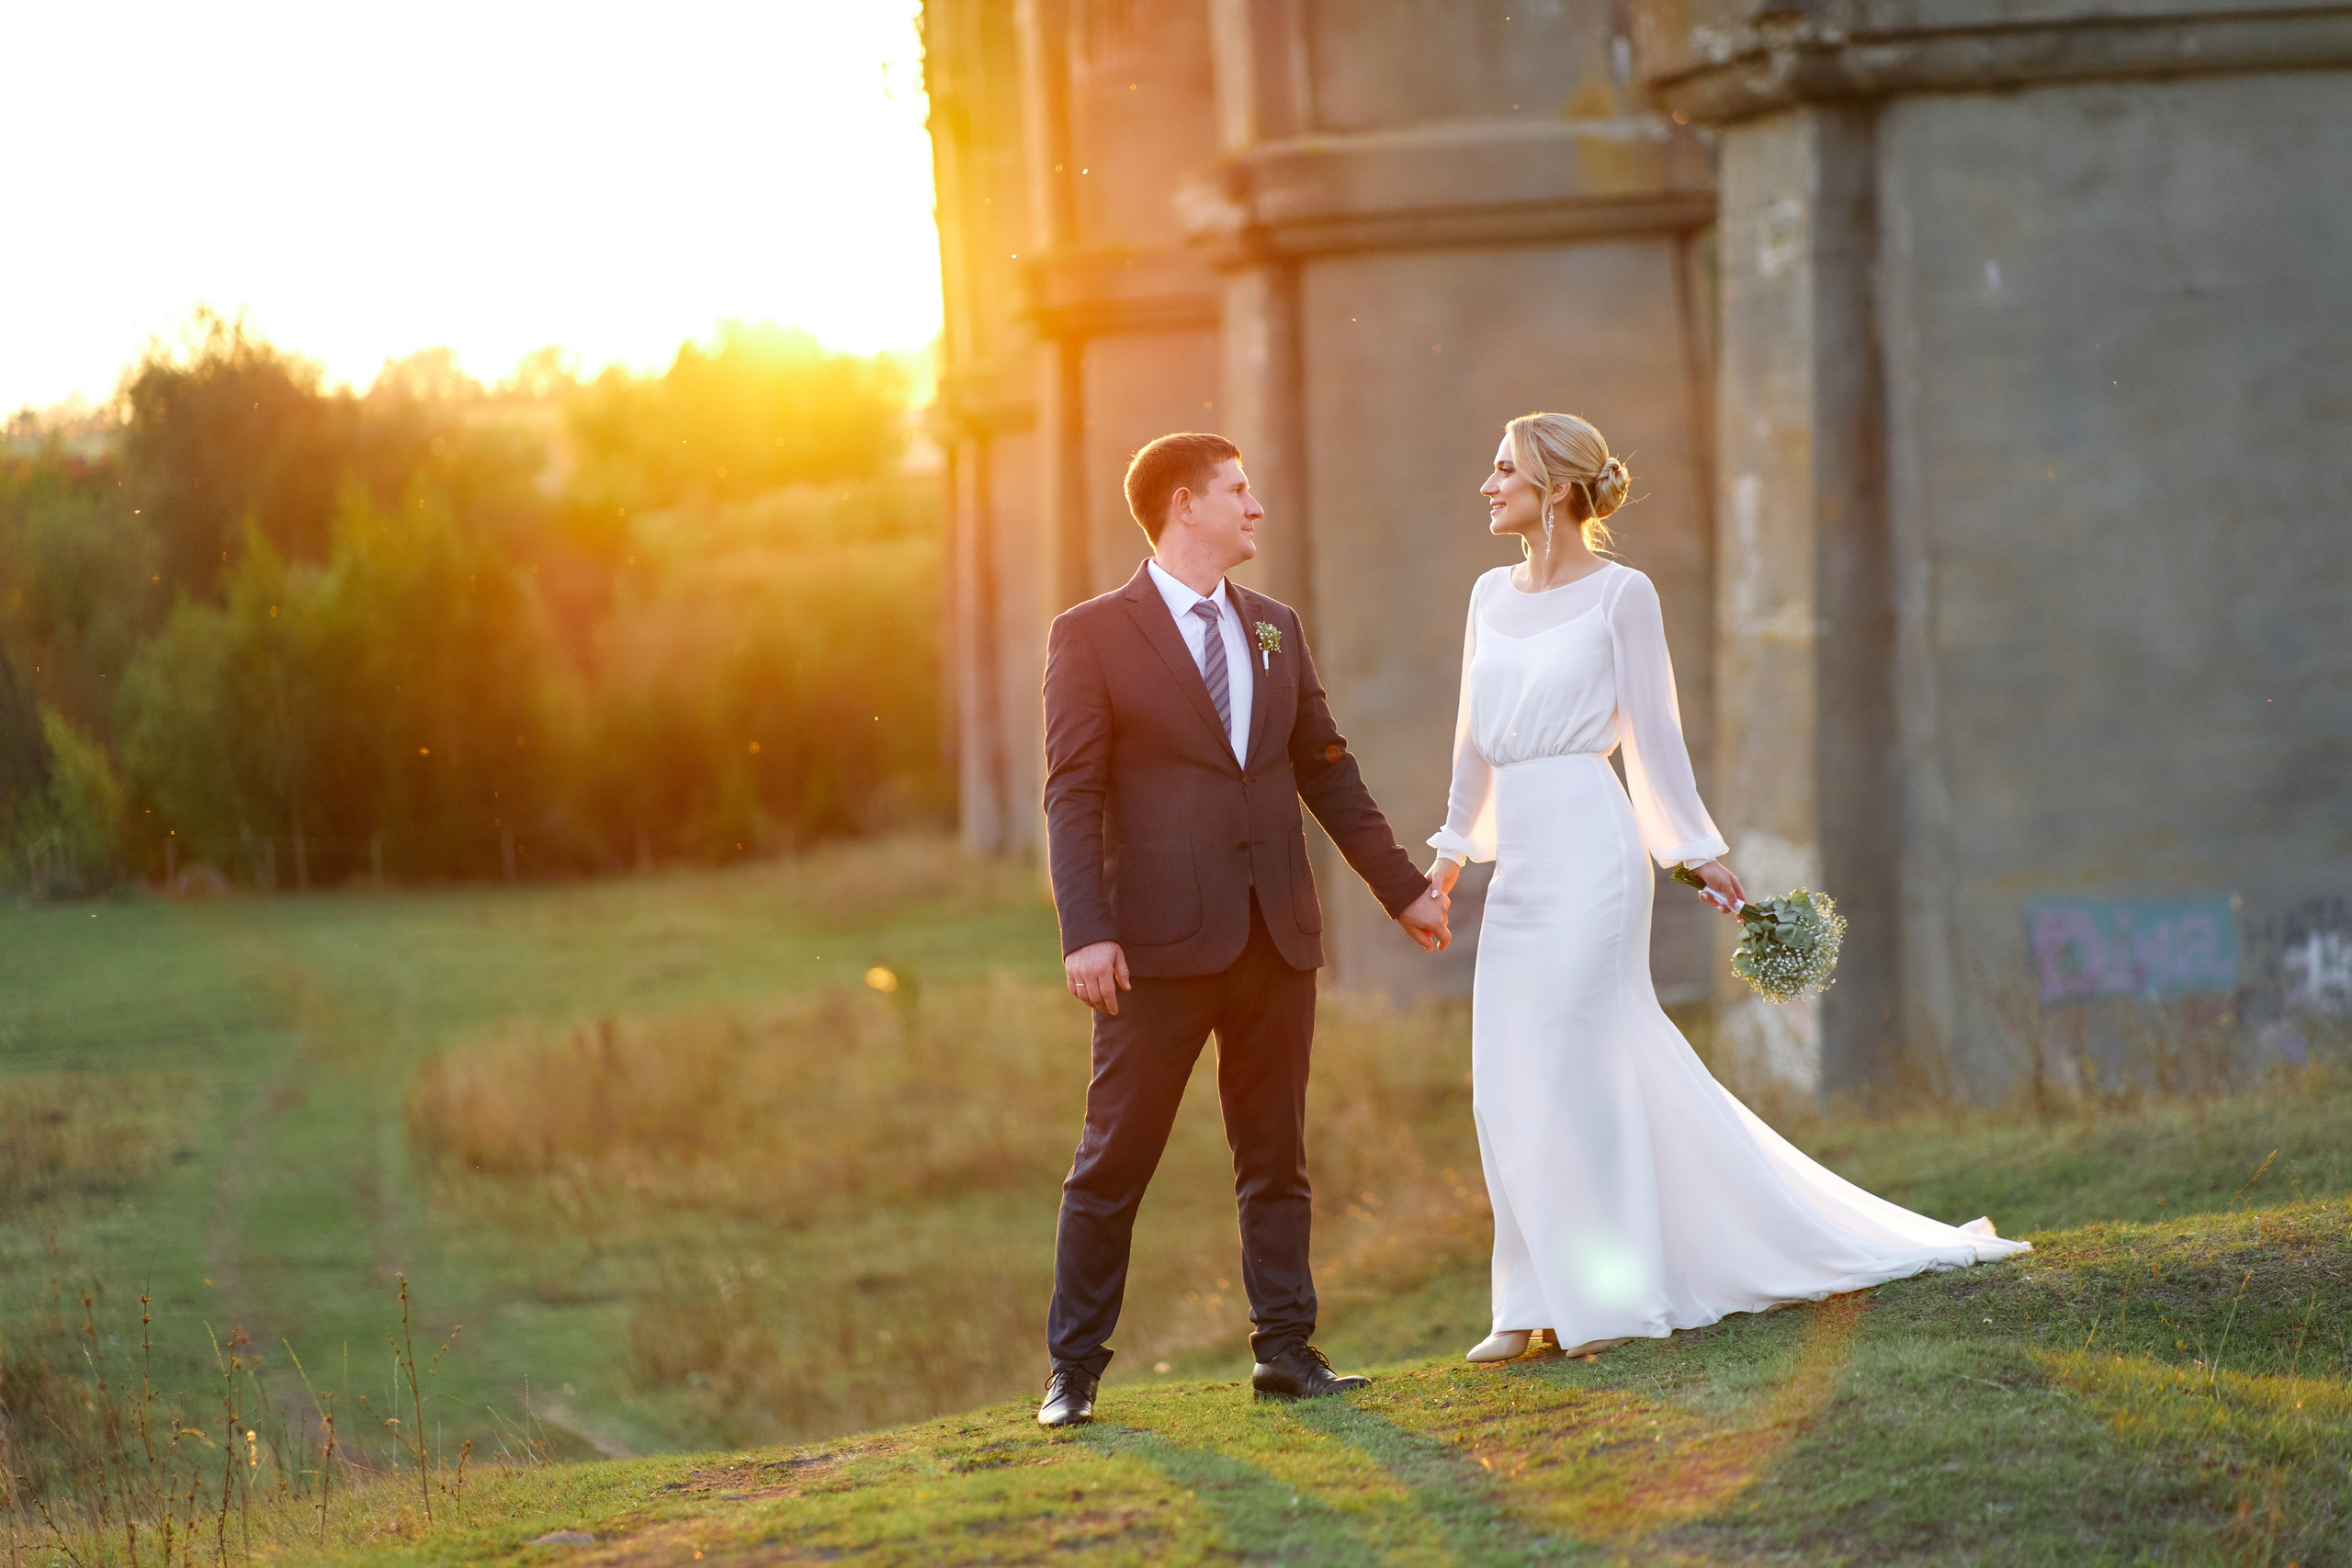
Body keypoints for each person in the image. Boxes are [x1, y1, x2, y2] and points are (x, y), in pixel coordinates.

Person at [1426, 412, 2030, 1365]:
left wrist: (1694, 850)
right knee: (1507, 1077)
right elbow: (1470, 740)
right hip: (1523, 868)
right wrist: (1449, 857)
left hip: (1591, 848)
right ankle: (1528, 1296)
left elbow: (1651, 735)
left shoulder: (1622, 595)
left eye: (1503, 471)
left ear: (1553, 488)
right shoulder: (1484, 597)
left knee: (1581, 1069)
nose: (1486, 486)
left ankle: (1609, 1297)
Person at [1035, 432, 1452, 1427]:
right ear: (1184, 506)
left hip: (1277, 937)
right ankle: (1072, 1372)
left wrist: (1402, 891)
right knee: (1113, 1162)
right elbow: (1071, 790)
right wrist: (1084, 932)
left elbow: (1326, 769)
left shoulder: (1274, 626)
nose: (1254, 506)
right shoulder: (1089, 634)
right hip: (1156, 950)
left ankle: (1284, 1351)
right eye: (1237, 490)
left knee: (1274, 1156)